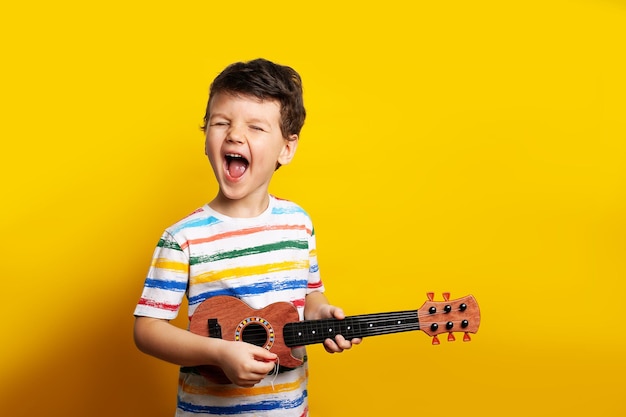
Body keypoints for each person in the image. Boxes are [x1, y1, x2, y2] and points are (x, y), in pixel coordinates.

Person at [133, 58, 361, 417]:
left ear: (286, 148)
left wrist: (324, 315)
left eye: (255, 127)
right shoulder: (183, 238)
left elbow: (309, 293)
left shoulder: (298, 223)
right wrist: (218, 353)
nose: (235, 135)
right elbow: (147, 329)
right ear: (206, 138)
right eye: (221, 122)